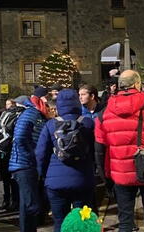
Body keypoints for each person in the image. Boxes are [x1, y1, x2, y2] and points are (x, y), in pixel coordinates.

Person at [95, 69, 144, 232]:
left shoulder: (103, 114)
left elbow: (99, 149)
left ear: (119, 86)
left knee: (125, 220)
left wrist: (106, 177)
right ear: (137, 84)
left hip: (120, 173)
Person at [36, 89, 95, 232]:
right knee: (83, 222)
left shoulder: (50, 125)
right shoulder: (88, 123)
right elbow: (95, 149)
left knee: (60, 221)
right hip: (83, 180)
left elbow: (40, 153)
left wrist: (43, 175)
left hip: (56, 183)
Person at [9, 95, 46, 232]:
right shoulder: (31, 114)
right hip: (24, 164)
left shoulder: (36, 114)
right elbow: (19, 137)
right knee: (31, 204)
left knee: (26, 204)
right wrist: (33, 153)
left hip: (25, 164)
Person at [0, 98, 19, 211]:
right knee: (5, 178)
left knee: (10, 178)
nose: (8, 106)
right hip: (3, 150)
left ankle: (13, 200)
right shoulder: (3, 114)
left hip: (8, 150)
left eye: (10, 104)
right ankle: (8, 199)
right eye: (7, 104)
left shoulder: (14, 116)